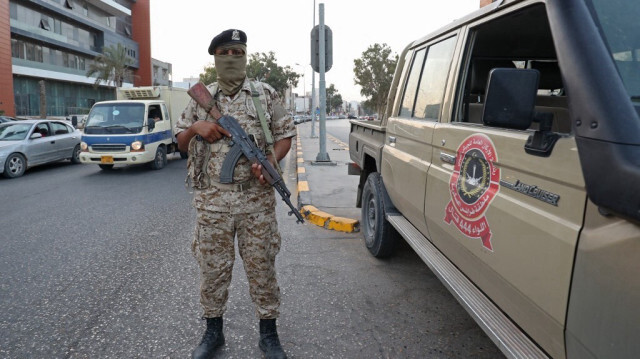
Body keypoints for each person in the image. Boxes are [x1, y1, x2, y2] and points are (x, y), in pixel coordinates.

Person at [175, 29, 296, 359]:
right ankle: (213, 332)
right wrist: (196, 128)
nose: (231, 58)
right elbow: (180, 142)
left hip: (257, 202)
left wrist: (269, 160)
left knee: (262, 268)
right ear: (215, 58)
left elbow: (286, 134)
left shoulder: (264, 94)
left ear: (245, 55)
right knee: (212, 270)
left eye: (237, 52)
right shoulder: (202, 98)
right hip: (212, 203)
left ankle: (268, 335)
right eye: (225, 53)